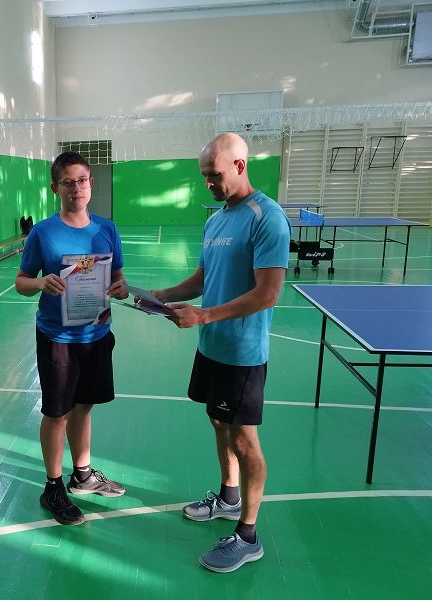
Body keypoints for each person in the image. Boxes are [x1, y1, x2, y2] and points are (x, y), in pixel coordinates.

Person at [151, 132, 290, 573]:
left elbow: (268, 293)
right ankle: (229, 498)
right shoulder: (215, 221)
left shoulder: (267, 218)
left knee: (244, 438)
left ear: (240, 166)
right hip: (211, 346)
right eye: (204, 176)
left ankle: (248, 536)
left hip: (242, 352)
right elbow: (202, 279)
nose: (208, 183)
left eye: (214, 174)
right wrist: (159, 296)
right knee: (217, 420)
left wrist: (205, 315)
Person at [15, 151, 129, 526]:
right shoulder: (43, 233)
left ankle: (82, 474)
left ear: (91, 184)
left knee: (84, 406)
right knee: (57, 413)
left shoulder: (107, 229)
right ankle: (53, 487)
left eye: (82, 180)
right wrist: (40, 283)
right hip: (58, 338)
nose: (76, 188)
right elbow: (21, 282)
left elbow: (117, 277)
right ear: (55, 188)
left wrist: (121, 288)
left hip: (97, 333)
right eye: (68, 182)